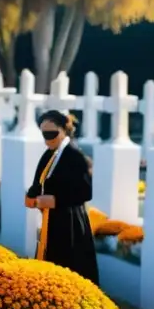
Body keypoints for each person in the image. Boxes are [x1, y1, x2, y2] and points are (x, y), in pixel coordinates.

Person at [25, 110, 99, 283]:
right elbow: (40, 179)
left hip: (70, 221)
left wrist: (56, 200)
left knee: (69, 265)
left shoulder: (75, 156)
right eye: (44, 134)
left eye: (52, 134)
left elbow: (86, 191)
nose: (47, 138)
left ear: (64, 130)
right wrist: (31, 195)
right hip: (51, 220)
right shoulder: (50, 153)